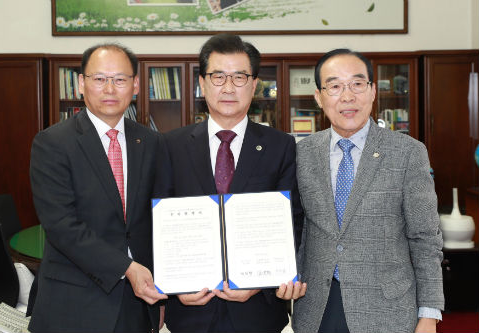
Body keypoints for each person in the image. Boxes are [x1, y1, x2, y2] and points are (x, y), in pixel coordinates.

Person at [154, 33, 306, 333]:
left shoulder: (281, 146)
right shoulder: (170, 145)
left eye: (239, 77)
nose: (227, 87)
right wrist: (174, 286)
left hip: (257, 314)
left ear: (253, 85)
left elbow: (294, 223)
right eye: (218, 76)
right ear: (201, 83)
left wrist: (259, 284)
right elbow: (157, 224)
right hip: (190, 312)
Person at [293, 48, 444, 333]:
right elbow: (299, 229)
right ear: (318, 97)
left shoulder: (408, 153)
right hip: (317, 309)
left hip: (388, 310)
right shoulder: (303, 153)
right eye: (335, 86)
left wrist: (429, 313)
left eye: (357, 84)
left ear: (373, 91)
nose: (347, 96)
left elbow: (425, 239)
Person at [28, 43, 167, 333]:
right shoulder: (52, 143)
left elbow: (160, 218)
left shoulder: (152, 142)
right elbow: (61, 226)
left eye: (120, 79)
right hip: (73, 302)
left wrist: (166, 285)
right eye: (99, 79)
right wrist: (127, 268)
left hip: (137, 303)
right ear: (81, 83)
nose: (110, 89)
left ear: (136, 85)